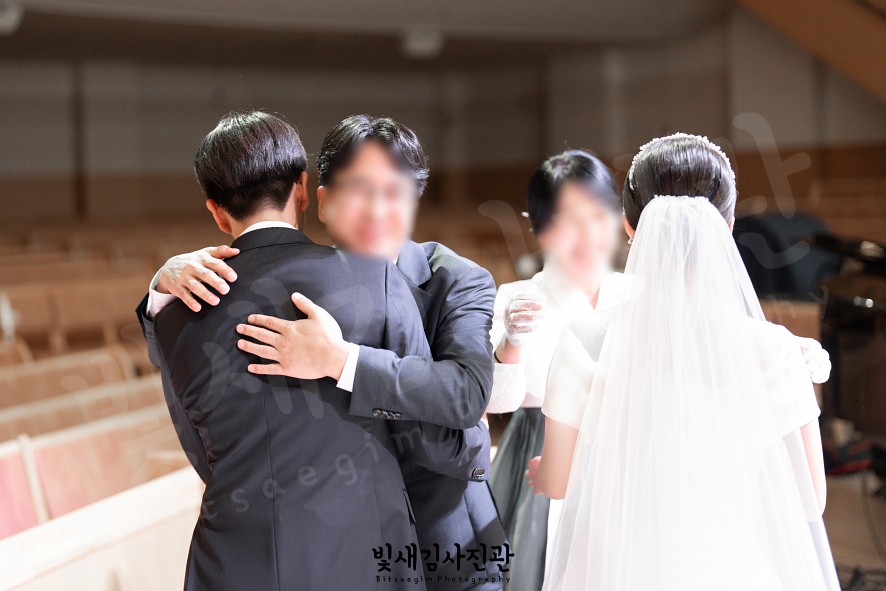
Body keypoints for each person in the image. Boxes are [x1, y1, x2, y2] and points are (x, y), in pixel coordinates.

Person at [140, 115, 507, 590]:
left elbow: (465, 395)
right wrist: (160, 284)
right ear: (314, 196)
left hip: (446, 537)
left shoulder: (457, 279)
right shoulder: (345, 278)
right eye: (358, 190)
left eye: (394, 193)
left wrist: (341, 360)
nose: (376, 210)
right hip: (363, 548)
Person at [527, 133, 841, 591]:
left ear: (630, 227)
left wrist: (543, 471)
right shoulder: (776, 351)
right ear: (726, 228)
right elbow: (810, 500)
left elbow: (557, 483)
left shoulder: (585, 340)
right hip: (732, 568)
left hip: (616, 566)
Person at [486, 150, 626, 590]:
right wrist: (512, 339)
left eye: (599, 215)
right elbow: (497, 399)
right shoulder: (516, 297)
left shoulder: (635, 293)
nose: (588, 235)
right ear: (541, 225)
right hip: (539, 453)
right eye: (568, 220)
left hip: (624, 454)